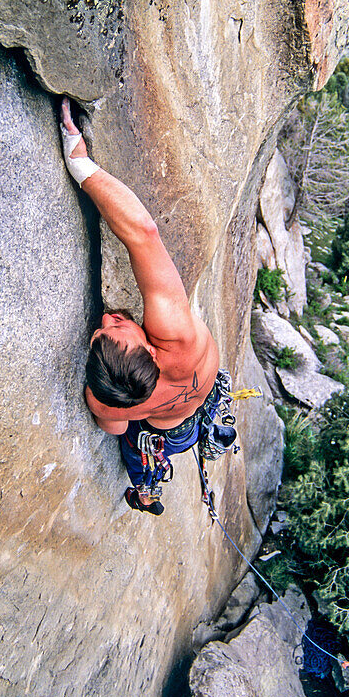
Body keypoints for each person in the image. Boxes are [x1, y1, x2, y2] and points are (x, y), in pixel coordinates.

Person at [59, 97, 228, 515]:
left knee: (138, 449)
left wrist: (79, 164)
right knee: (169, 432)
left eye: (109, 324)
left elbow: (115, 424)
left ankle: (146, 490)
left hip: (162, 431)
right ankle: (187, 453)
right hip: (201, 400)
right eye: (114, 326)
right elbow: (145, 235)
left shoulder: (107, 403)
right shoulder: (178, 339)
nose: (108, 316)